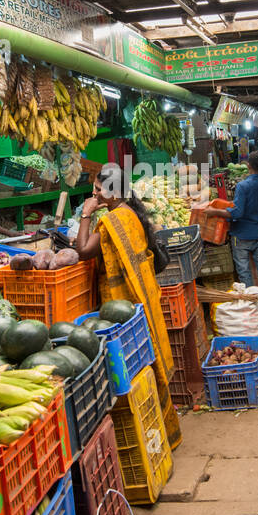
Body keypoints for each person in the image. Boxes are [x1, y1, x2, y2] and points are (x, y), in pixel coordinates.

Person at [74, 163, 175, 393]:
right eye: (94, 189)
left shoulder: (113, 221)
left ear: (115, 193)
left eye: (99, 190)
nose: (94, 194)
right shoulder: (129, 212)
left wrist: (86, 214)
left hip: (126, 298)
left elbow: (83, 250)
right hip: (142, 295)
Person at [205, 149, 258, 325]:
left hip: (241, 236)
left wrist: (214, 211)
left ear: (248, 166)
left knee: (245, 275)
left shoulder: (243, 186)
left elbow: (237, 213)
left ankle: (255, 313)